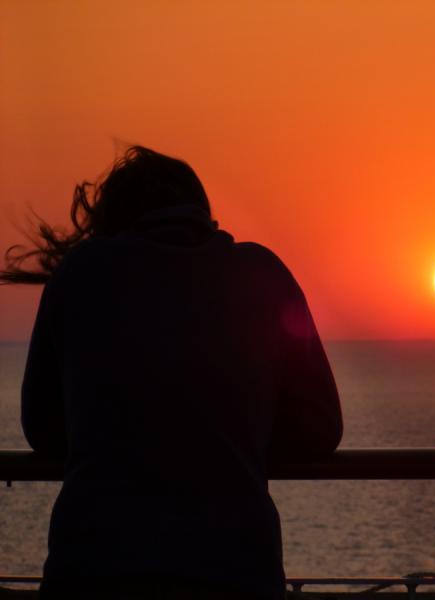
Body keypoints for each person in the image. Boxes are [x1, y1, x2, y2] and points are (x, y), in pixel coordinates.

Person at [0, 146, 343, 599]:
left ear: (115, 218)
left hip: (94, 570)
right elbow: (321, 428)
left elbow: (43, 429)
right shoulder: (263, 274)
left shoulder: (81, 273)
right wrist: (236, 434)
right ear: (202, 213)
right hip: (235, 572)